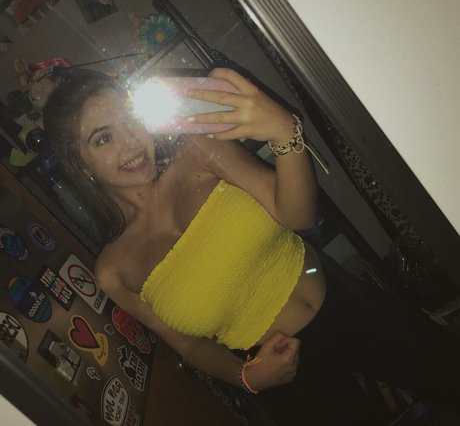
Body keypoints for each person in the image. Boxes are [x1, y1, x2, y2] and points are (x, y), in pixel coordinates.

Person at [43, 67, 460, 425]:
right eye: (103, 139)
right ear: (81, 163)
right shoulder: (113, 270)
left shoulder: (198, 151)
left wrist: (284, 132)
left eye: (129, 120)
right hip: (284, 377)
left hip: (347, 305)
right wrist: (246, 379)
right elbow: (188, 345)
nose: (131, 144)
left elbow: (297, 216)